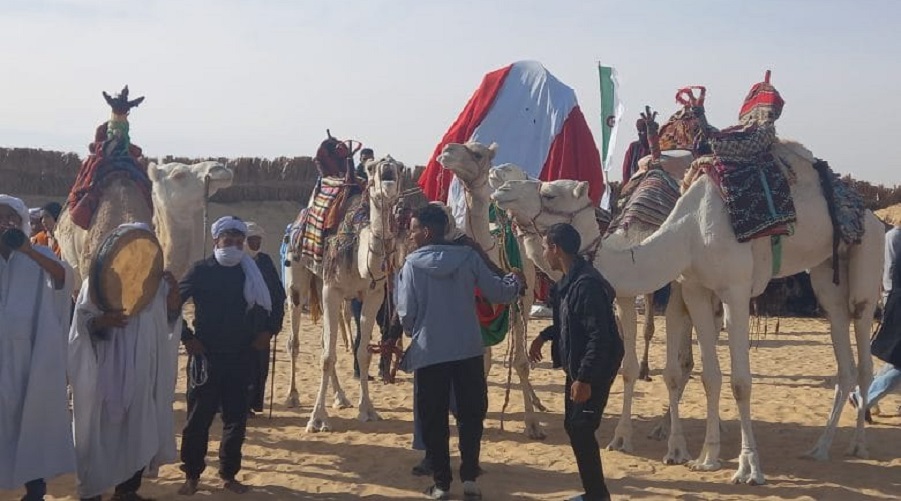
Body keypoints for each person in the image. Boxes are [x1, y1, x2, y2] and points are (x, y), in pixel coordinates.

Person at [395, 204, 523, 500]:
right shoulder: (468, 257)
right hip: (468, 350)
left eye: (414, 230)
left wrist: (419, 329)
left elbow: (407, 315)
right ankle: (469, 479)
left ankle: (441, 484)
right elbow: (500, 293)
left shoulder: (412, 266)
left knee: (434, 418)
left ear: (426, 231)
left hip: (430, 353)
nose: (411, 236)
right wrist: (514, 279)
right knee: (470, 415)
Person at [68, 223, 182, 501]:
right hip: (104, 369)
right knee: (98, 432)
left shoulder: (156, 288)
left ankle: (127, 490)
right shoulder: (96, 283)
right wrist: (103, 321)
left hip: (143, 368)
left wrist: (174, 296)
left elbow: (170, 321)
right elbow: (81, 326)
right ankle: (92, 491)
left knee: (137, 427)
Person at [176, 216, 272, 495]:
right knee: (198, 420)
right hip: (205, 356)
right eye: (227, 241)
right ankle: (192, 474)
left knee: (236, 419)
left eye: (238, 242)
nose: (233, 246)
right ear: (216, 241)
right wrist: (187, 338)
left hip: (241, 354)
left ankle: (229, 474)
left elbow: (271, 304)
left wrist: (267, 331)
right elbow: (171, 305)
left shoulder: (250, 272)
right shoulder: (200, 270)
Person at [528, 223, 624, 501]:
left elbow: (600, 338)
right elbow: (567, 323)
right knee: (574, 427)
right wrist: (544, 337)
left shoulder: (586, 285)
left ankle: (597, 495)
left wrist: (584, 379)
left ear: (556, 249)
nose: (544, 253)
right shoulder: (566, 284)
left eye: (545, 248)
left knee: (581, 428)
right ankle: (593, 493)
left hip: (595, 367)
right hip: (578, 365)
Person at [0, 195, 75, 501]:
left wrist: (28, 250)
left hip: (31, 356)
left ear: (21, 223)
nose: (5, 223)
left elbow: (63, 278)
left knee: (31, 418)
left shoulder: (38, 254)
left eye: (11, 219)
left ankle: (35, 489)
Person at [850, 222, 901, 421]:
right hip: (896, 300)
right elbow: (892, 273)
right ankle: (865, 399)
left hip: (895, 299)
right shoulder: (894, 237)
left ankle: (860, 395)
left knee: (896, 359)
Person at [244, 222, 287, 416]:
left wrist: (273, 326)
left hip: (262, 325)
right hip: (241, 324)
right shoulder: (236, 262)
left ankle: (253, 404)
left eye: (258, 240)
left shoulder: (265, 261)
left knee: (259, 367)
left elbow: (278, 293)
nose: (256, 244)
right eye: (252, 240)